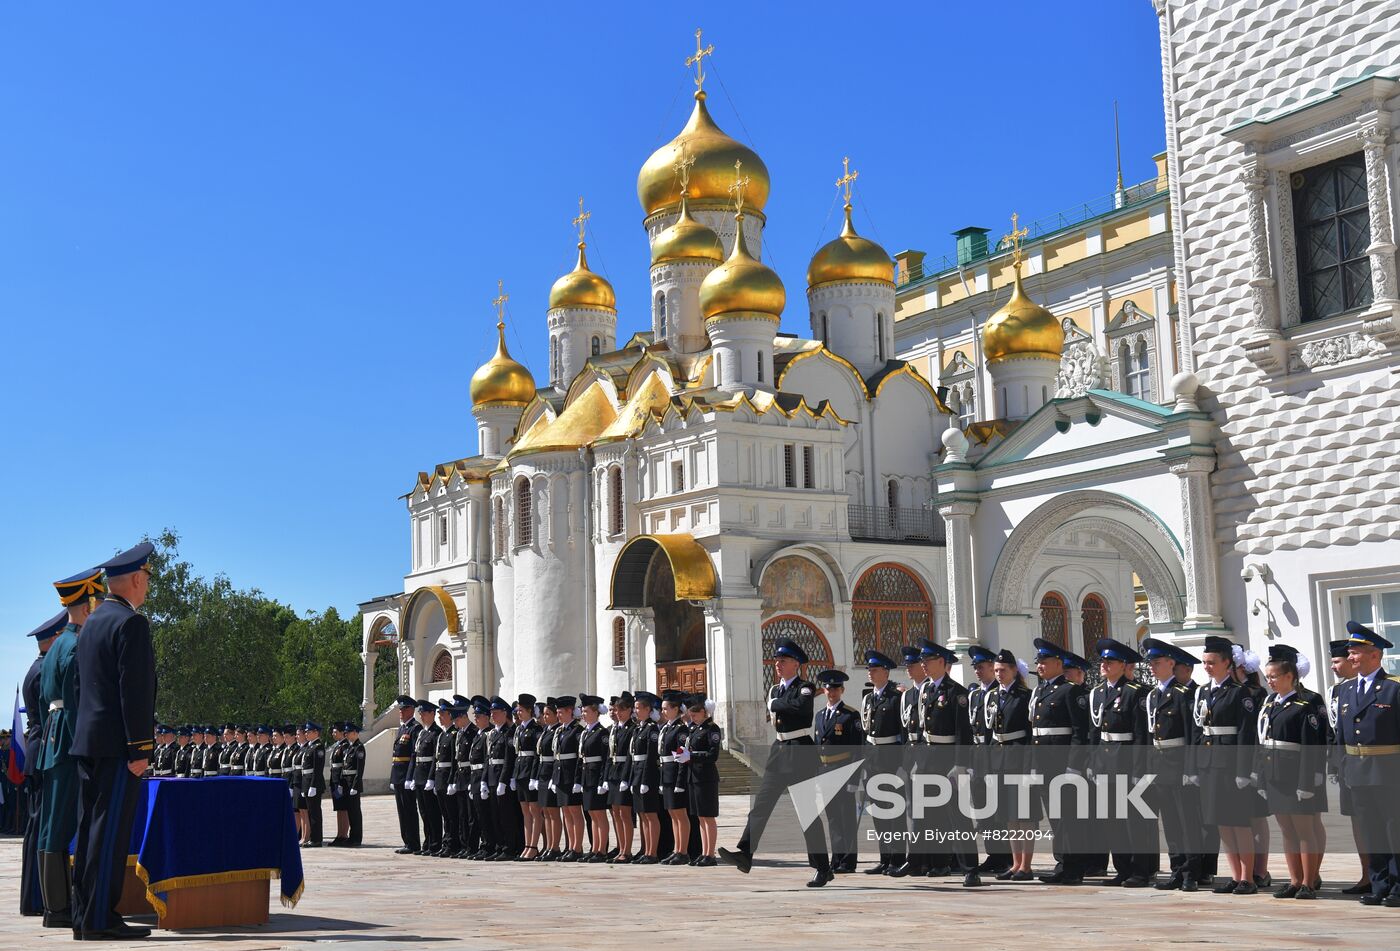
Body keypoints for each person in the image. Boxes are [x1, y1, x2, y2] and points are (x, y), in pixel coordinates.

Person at [70, 541, 157, 941]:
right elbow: (134, 692)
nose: (148, 585)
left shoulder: (91, 624)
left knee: (90, 830)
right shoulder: (130, 623)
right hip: (118, 748)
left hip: (88, 743)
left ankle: (85, 913)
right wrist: (141, 749)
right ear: (137, 579)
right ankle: (101, 918)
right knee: (109, 834)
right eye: (148, 578)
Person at [719, 638, 832, 887]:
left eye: (783, 661)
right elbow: (778, 712)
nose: (778, 664)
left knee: (807, 813)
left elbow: (801, 710)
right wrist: (777, 703)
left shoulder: (804, 687)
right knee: (761, 805)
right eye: (777, 661)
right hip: (780, 749)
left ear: (796, 664)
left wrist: (776, 704)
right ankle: (745, 854)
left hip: (800, 751)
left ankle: (823, 867)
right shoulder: (774, 690)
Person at [35, 567, 104, 928]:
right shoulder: (76, 644)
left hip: (52, 737)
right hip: (66, 739)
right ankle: (58, 908)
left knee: (51, 822)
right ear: (90, 603)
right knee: (60, 824)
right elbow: (78, 703)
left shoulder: (59, 641)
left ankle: (54, 904)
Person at [1334, 621, 1400, 906]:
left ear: (1375, 655)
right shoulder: (1346, 691)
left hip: (1389, 772)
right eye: (1350, 653)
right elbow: (1341, 734)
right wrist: (1341, 767)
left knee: (1393, 829)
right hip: (1358, 773)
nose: (1351, 658)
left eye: (1356, 653)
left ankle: (1398, 886)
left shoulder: (1393, 689)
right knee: (1371, 831)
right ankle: (1379, 883)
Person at [1258, 644, 1327, 899]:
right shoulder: (1270, 703)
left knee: (1304, 830)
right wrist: (1261, 777)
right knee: (1287, 831)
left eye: (1274, 676)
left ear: (1290, 676)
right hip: (1275, 774)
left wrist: (1307, 782)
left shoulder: (1307, 702)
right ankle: (1295, 880)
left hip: (1298, 775)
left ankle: (1309, 882)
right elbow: (1263, 740)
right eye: (1268, 677)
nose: (1270, 681)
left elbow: (1313, 745)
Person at [1196, 636, 1261, 894]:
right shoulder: (1203, 691)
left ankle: (1248, 877)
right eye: (1205, 662)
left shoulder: (1239, 692)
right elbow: (1198, 730)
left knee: (1239, 822)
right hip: (1209, 762)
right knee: (1221, 821)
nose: (1207, 667)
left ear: (1226, 663)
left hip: (1231, 764)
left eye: (1212, 662)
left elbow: (1246, 734)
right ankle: (1235, 875)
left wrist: (1244, 770)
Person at [1089, 637, 1153, 887]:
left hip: (1127, 762)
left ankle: (1142, 870)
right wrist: (1093, 763)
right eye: (1102, 661)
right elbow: (1096, 732)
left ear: (1123, 664)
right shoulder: (1100, 692)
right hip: (1106, 763)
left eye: (1109, 661)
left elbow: (1140, 735)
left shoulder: (1134, 693)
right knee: (1112, 821)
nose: (1104, 664)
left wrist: (1139, 770)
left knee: (1134, 821)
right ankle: (1123, 868)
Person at [1028, 638, 1091, 886]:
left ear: (1058, 663)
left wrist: (1074, 766)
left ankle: (1074, 867)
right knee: (1055, 818)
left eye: (1044, 661)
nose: (1040, 666)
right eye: (1038, 662)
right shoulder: (1042, 691)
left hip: (1063, 764)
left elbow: (1079, 732)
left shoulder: (1070, 691)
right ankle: (1062, 862)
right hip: (1045, 765)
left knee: (1069, 818)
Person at [918, 641, 979, 886]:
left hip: (948, 759)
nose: (924, 664)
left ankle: (970, 868)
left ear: (942, 663)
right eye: (923, 661)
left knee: (958, 815)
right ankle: (940, 863)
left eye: (928, 660)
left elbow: (963, 732)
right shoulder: (926, 690)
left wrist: (960, 764)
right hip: (929, 757)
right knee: (933, 815)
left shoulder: (957, 693)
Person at [19, 611, 66, 918]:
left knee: (37, 825)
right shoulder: (43, 671)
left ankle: (34, 898)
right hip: (42, 750)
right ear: (52, 640)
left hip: (37, 748)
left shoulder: (35, 668)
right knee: (41, 826)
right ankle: (37, 897)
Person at [1328, 638, 1372, 894]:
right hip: (1349, 765)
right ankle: (1367, 873)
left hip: (1376, 766)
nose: (1334, 666)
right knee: (1357, 821)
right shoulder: (1339, 691)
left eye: (1337, 661)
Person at [987, 649, 1034, 881]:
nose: (999, 674)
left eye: (1003, 670)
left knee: (1024, 815)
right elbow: (991, 732)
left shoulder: (1025, 696)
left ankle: (1026, 865)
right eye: (996, 670)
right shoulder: (994, 696)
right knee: (1009, 816)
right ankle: (1015, 864)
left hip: (1019, 757)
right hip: (1001, 759)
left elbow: (1029, 733)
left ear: (1015, 670)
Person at [965, 643, 1009, 876]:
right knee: (982, 809)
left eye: (981, 666)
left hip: (994, 755)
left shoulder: (998, 692)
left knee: (998, 808)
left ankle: (1005, 854)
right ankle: (994, 853)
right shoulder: (974, 694)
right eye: (975, 667)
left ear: (993, 667)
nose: (977, 671)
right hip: (977, 755)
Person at [813, 669, 863, 874]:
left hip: (843, 770)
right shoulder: (820, 716)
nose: (831, 692)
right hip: (825, 771)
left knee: (846, 817)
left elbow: (858, 750)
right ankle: (837, 857)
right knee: (833, 817)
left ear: (842, 690)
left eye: (835, 688)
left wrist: (854, 779)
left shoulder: (850, 715)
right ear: (824, 690)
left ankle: (848, 860)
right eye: (828, 688)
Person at [859, 649, 904, 876]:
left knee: (894, 812)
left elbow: (902, 732)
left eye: (874, 669)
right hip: (873, 758)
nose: (870, 673)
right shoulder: (869, 698)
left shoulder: (896, 698)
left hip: (891, 758)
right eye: (868, 669)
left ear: (885, 671)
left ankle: (897, 858)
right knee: (878, 812)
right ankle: (884, 858)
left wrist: (903, 765)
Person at [888, 645, 926, 877]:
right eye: (908, 666)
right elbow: (904, 733)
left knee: (934, 812)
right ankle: (916, 859)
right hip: (912, 756)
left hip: (930, 755)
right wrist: (903, 763)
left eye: (912, 665)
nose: (909, 669)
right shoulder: (908, 696)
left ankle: (938, 860)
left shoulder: (929, 691)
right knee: (913, 811)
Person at [678, 693, 721, 865]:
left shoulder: (712, 729)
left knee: (708, 816)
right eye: (691, 715)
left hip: (706, 778)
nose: (692, 718)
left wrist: (691, 756)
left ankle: (710, 854)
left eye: (695, 715)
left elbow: (713, 755)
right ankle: (704, 852)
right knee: (700, 817)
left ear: (704, 712)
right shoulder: (694, 729)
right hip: (694, 776)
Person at [657, 690, 692, 865]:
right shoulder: (667, 727)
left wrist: (680, 781)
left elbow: (681, 757)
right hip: (666, 774)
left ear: (676, 709)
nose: (662, 711)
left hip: (675, 775)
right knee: (672, 814)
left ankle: (683, 850)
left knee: (680, 814)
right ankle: (676, 849)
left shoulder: (681, 729)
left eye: (665, 708)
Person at [629, 691, 664, 864]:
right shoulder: (639, 728)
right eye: (635, 708)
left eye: (638, 708)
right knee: (642, 815)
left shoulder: (651, 729)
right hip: (637, 773)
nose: (635, 711)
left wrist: (644, 780)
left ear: (648, 709)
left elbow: (651, 757)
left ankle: (653, 851)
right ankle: (645, 849)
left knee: (650, 815)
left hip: (647, 776)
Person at [485, 696, 521, 858]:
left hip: (503, 779)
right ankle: (500, 846)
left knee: (507, 816)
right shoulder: (493, 733)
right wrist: (484, 780)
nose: (492, 715)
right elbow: (488, 758)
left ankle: (509, 847)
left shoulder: (510, 732)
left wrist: (503, 781)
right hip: (492, 776)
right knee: (494, 815)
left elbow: (509, 759)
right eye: (491, 712)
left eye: (495, 712)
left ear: (504, 713)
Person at [551, 695, 585, 861]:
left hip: (571, 775)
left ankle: (577, 847)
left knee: (574, 812)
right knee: (566, 812)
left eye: (561, 712)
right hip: (561, 775)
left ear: (570, 711)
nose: (558, 715)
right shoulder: (561, 730)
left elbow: (579, 757)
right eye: (557, 712)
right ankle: (570, 846)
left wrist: (578, 780)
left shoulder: (577, 731)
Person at [387, 695, 421, 855]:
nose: (401, 712)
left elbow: (414, 755)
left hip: (406, 775)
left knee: (409, 810)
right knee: (402, 811)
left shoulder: (415, 728)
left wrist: (409, 777)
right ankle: (406, 840)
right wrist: (393, 777)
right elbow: (396, 755)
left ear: (411, 710)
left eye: (404, 709)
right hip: (398, 775)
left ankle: (413, 842)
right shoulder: (402, 728)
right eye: (400, 709)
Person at [578, 694, 611, 862]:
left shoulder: (601, 732)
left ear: (595, 712)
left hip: (596, 775)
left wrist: (602, 780)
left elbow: (605, 758)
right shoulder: (585, 732)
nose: (583, 714)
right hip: (586, 776)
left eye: (586, 711)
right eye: (582, 711)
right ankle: (594, 847)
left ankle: (601, 849)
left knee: (599, 813)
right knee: (591, 813)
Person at [605, 694, 636, 862]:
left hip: (625, 771)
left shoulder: (632, 728)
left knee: (624, 813)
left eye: (622, 710)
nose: (618, 713)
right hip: (614, 773)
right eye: (617, 710)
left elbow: (629, 755)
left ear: (629, 710)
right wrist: (606, 777)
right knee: (616, 812)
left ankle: (627, 850)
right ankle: (621, 847)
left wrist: (626, 777)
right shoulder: (616, 728)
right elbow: (610, 754)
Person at [512, 694, 542, 860]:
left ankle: (533, 846)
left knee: (534, 811)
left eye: (522, 710)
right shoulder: (520, 729)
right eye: (518, 710)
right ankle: (527, 845)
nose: (519, 713)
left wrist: (534, 776)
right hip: (520, 772)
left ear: (530, 710)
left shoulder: (536, 729)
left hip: (530, 772)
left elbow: (537, 755)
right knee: (525, 812)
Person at [411, 699, 442, 855]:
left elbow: (434, 758)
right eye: (420, 713)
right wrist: (412, 777)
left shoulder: (436, 733)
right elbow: (415, 755)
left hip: (428, 776)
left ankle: (435, 843)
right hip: (419, 776)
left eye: (424, 713)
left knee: (432, 812)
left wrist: (431, 778)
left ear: (432, 714)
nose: (421, 715)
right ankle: (428, 841)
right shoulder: (422, 732)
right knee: (423, 812)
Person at [467, 698, 496, 859]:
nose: (476, 719)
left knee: (485, 815)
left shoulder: (488, 735)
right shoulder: (479, 735)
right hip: (474, 777)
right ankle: (482, 846)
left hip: (482, 777)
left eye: (479, 716)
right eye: (475, 716)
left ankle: (488, 845)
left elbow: (487, 759)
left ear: (487, 717)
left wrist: (483, 780)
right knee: (477, 815)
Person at [533, 698, 560, 860]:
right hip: (543, 772)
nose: (545, 717)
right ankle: (549, 845)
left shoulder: (557, 730)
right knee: (546, 812)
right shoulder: (547, 730)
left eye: (548, 714)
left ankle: (555, 846)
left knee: (553, 813)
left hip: (551, 772)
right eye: (544, 714)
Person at [431, 701, 459, 857]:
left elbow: (454, 760)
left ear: (450, 715)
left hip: (448, 776)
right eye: (439, 715)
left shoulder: (454, 734)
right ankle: (446, 842)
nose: (440, 717)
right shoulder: (443, 734)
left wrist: (451, 781)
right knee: (445, 815)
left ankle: (453, 843)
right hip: (440, 776)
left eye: (442, 714)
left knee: (452, 814)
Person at [301, 722, 326, 847]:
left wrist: (313, 785)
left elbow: (317, 768)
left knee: (315, 812)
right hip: (307, 781)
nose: (306, 734)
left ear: (316, 732)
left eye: (308, 732)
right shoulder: (309, 747)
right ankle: (312, 837)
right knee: (310, 812)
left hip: (313, 783)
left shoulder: (318, 747)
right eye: (306, 732)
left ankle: (316, 839)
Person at [341, 722, 365, 847]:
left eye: (348, 732)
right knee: (350, 811)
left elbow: (359, 770)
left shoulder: (359, 748)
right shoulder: (349, 747)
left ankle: (356, 838)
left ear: (355, 733)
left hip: (353, 784)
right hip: (347, 782)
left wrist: (355, 786)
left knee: (355, 812)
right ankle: (351, 837)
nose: (346, 734)